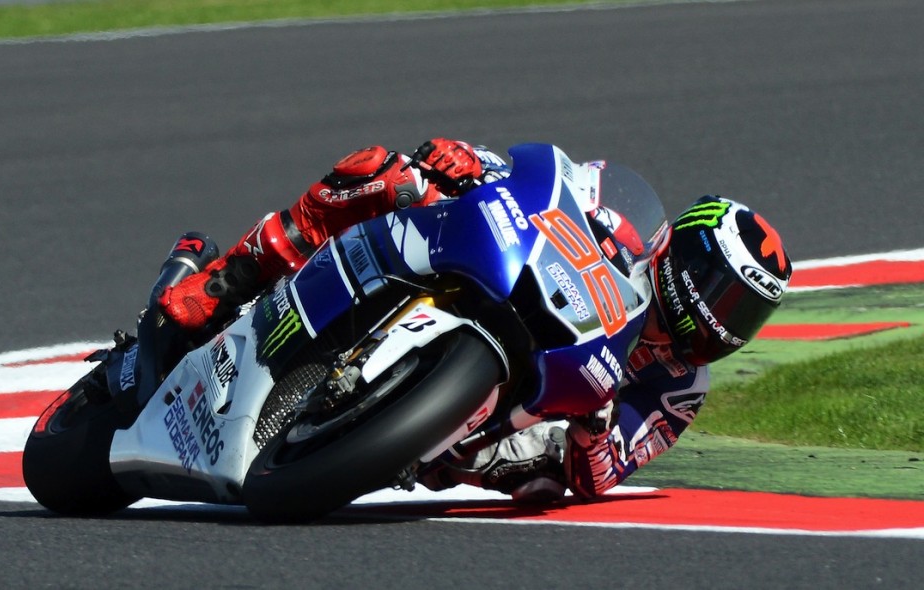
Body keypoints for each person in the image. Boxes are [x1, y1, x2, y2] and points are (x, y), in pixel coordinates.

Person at [158, 138, 793, 504]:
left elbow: (602, 475)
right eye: (727, 295)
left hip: (524, 410)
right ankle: (221, 286)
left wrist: (596, 423)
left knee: (539, 477)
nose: (727, 320)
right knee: (391, 174)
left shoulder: (681, 388)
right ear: (686, 255)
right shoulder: (626, 220)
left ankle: (402, 436)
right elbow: (547, 186)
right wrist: (473, 164)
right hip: (511, 275)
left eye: (748, 313)